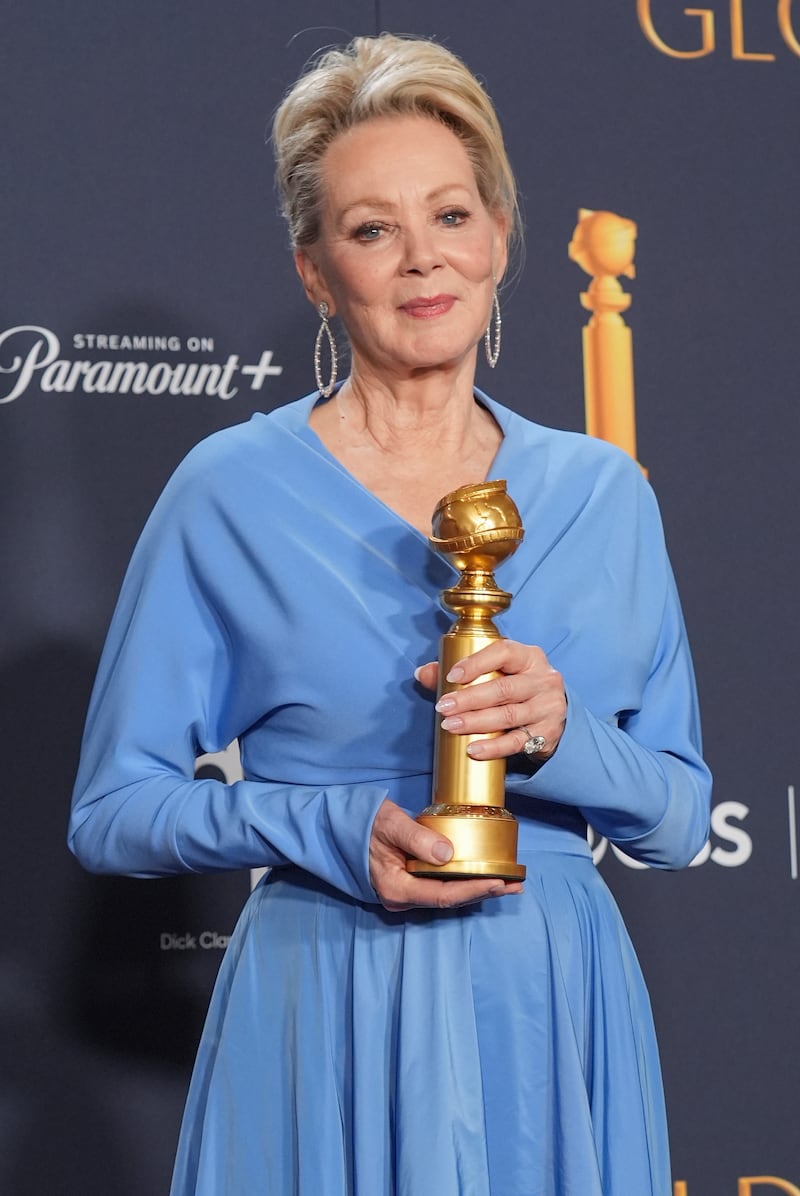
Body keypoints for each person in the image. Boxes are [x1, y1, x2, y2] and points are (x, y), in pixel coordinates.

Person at [68, 32, 711, 1196]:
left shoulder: (602, 492)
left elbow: (676, 814)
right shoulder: (227, 489)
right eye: (372, 229)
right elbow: (114, 811)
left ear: (501, 237)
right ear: (316, 271)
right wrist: (323, 826)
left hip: (549, 1009)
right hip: (322, 996)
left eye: (451, 215)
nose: (424, 259)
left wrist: (561, 735)